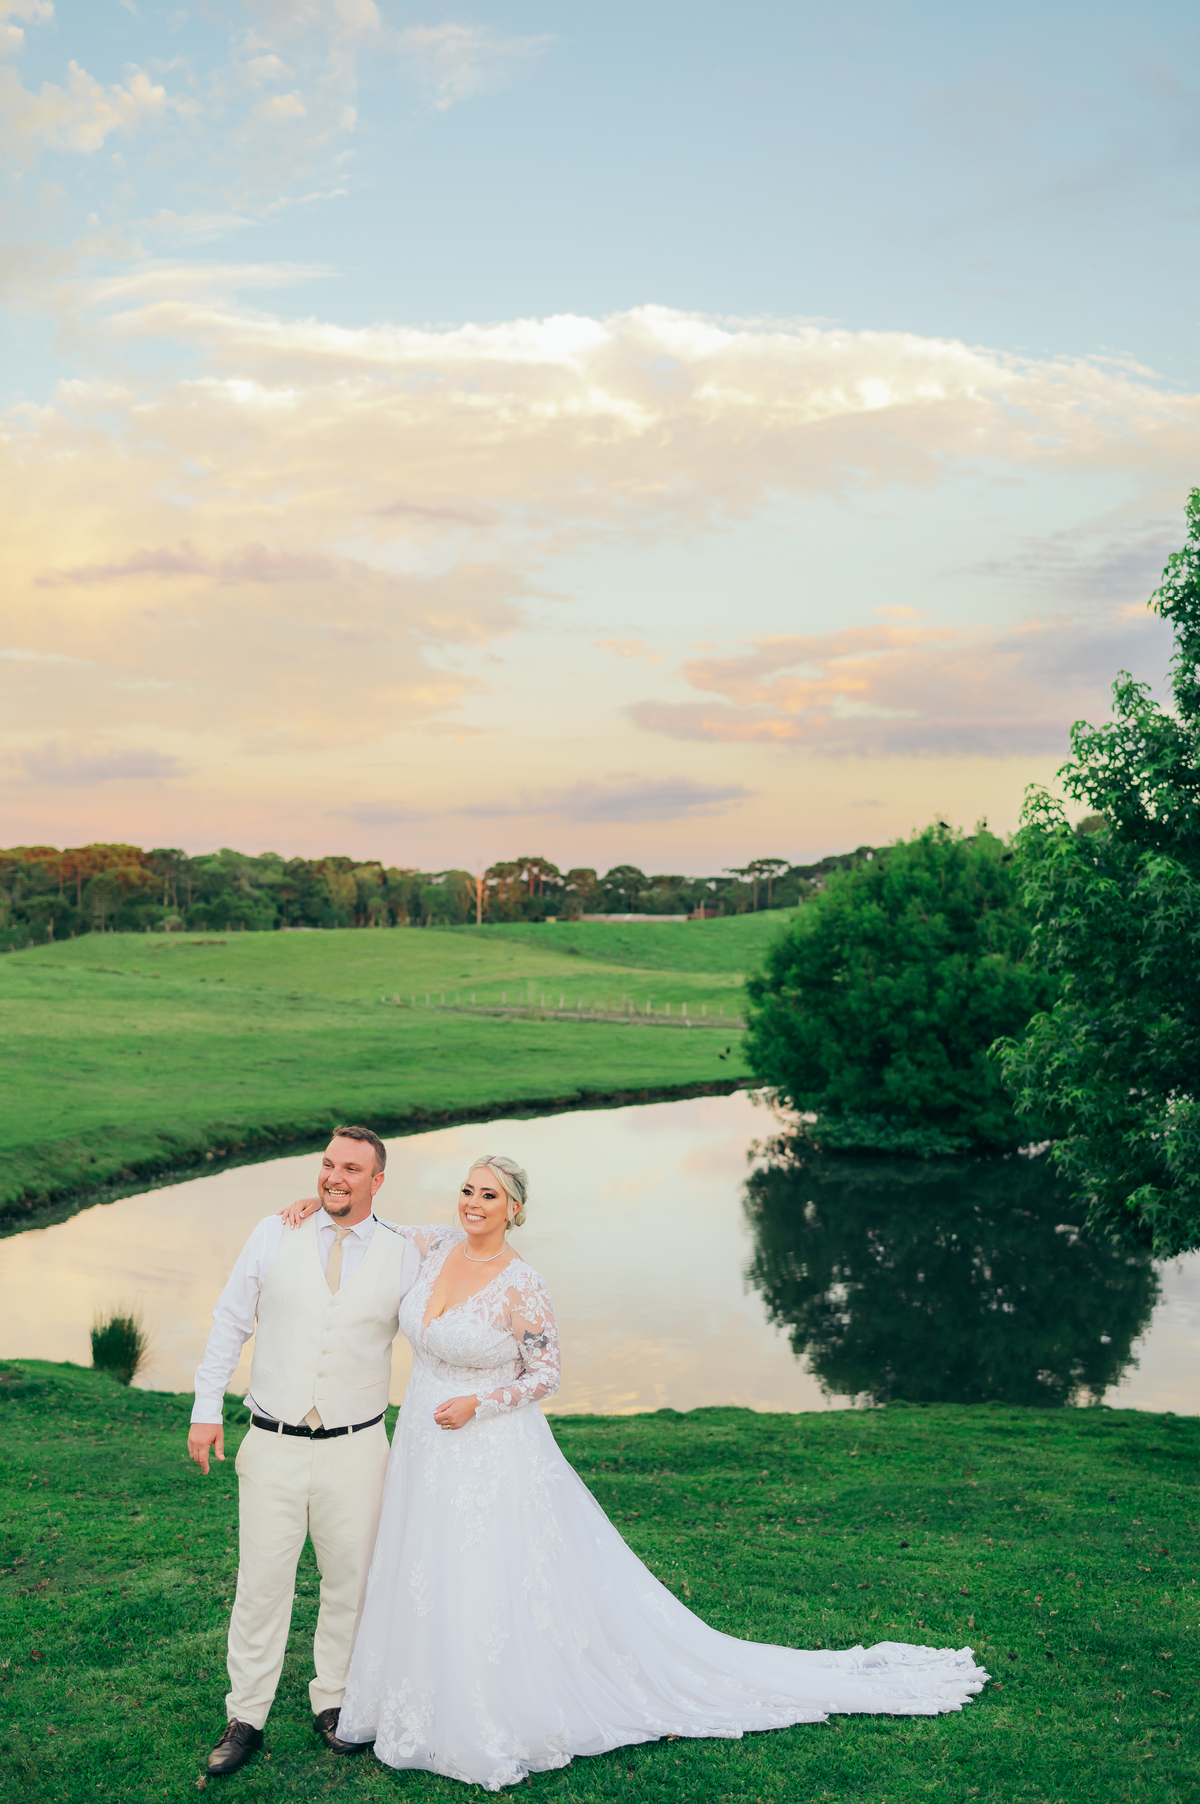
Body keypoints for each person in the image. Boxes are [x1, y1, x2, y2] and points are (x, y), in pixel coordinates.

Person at [278, 1152, 989, 1792]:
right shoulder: (435, 1246)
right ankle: (404, 1700)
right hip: (422, 1444)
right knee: (421, 1565)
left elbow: (546, 1374)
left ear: (514, 1209)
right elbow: (376, 1225)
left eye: (489, 1195)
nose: (473, 1203)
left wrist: (480, 1403)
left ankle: (484, 1711)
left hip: (485, 1444)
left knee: (480, 1570)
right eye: (468, 1190)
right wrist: (322, 1203)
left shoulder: (523, 1284)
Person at [187, 1125, 419, 1778]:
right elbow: (230, 1321)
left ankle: (335, 1700)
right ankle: (246, 1716)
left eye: (352, 1169)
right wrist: (206, 1409)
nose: (334, 1177)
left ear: (378, 1181)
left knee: (351, 1583)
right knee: (261, 1586)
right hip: (273, 1443)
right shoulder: (273, 1232)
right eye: (327, 1165)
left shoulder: (405, 1253)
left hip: (358, 1447)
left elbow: (463, 1244)